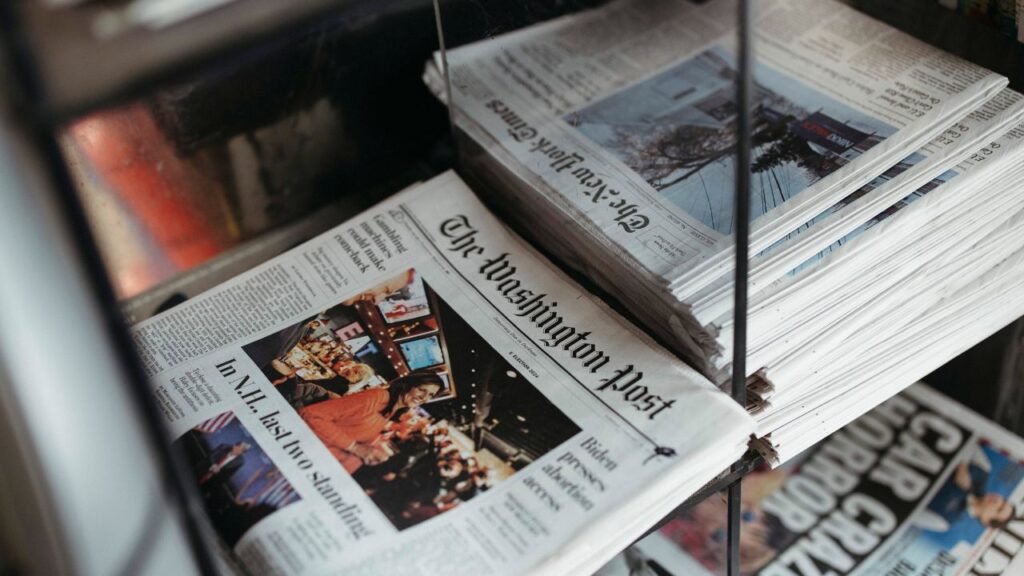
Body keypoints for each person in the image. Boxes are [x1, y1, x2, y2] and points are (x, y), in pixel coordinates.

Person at [298, 371, 443, 473]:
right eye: (421, 389)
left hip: (322, 465)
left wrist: (369, 453)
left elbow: (351, 431)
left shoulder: (390, 411)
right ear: (407, 385)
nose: (424, 397)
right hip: (304, 456)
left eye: (430, 394)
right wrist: (355, 448)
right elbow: (311, 415)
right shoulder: (376, 397)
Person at [927, 461, 1015, 530]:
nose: (998, 501)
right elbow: (966, 443)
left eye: (999, 509)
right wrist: (961, 464)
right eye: (1003, 500)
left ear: (986, 521)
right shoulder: (983, 469)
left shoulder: (944, 521)